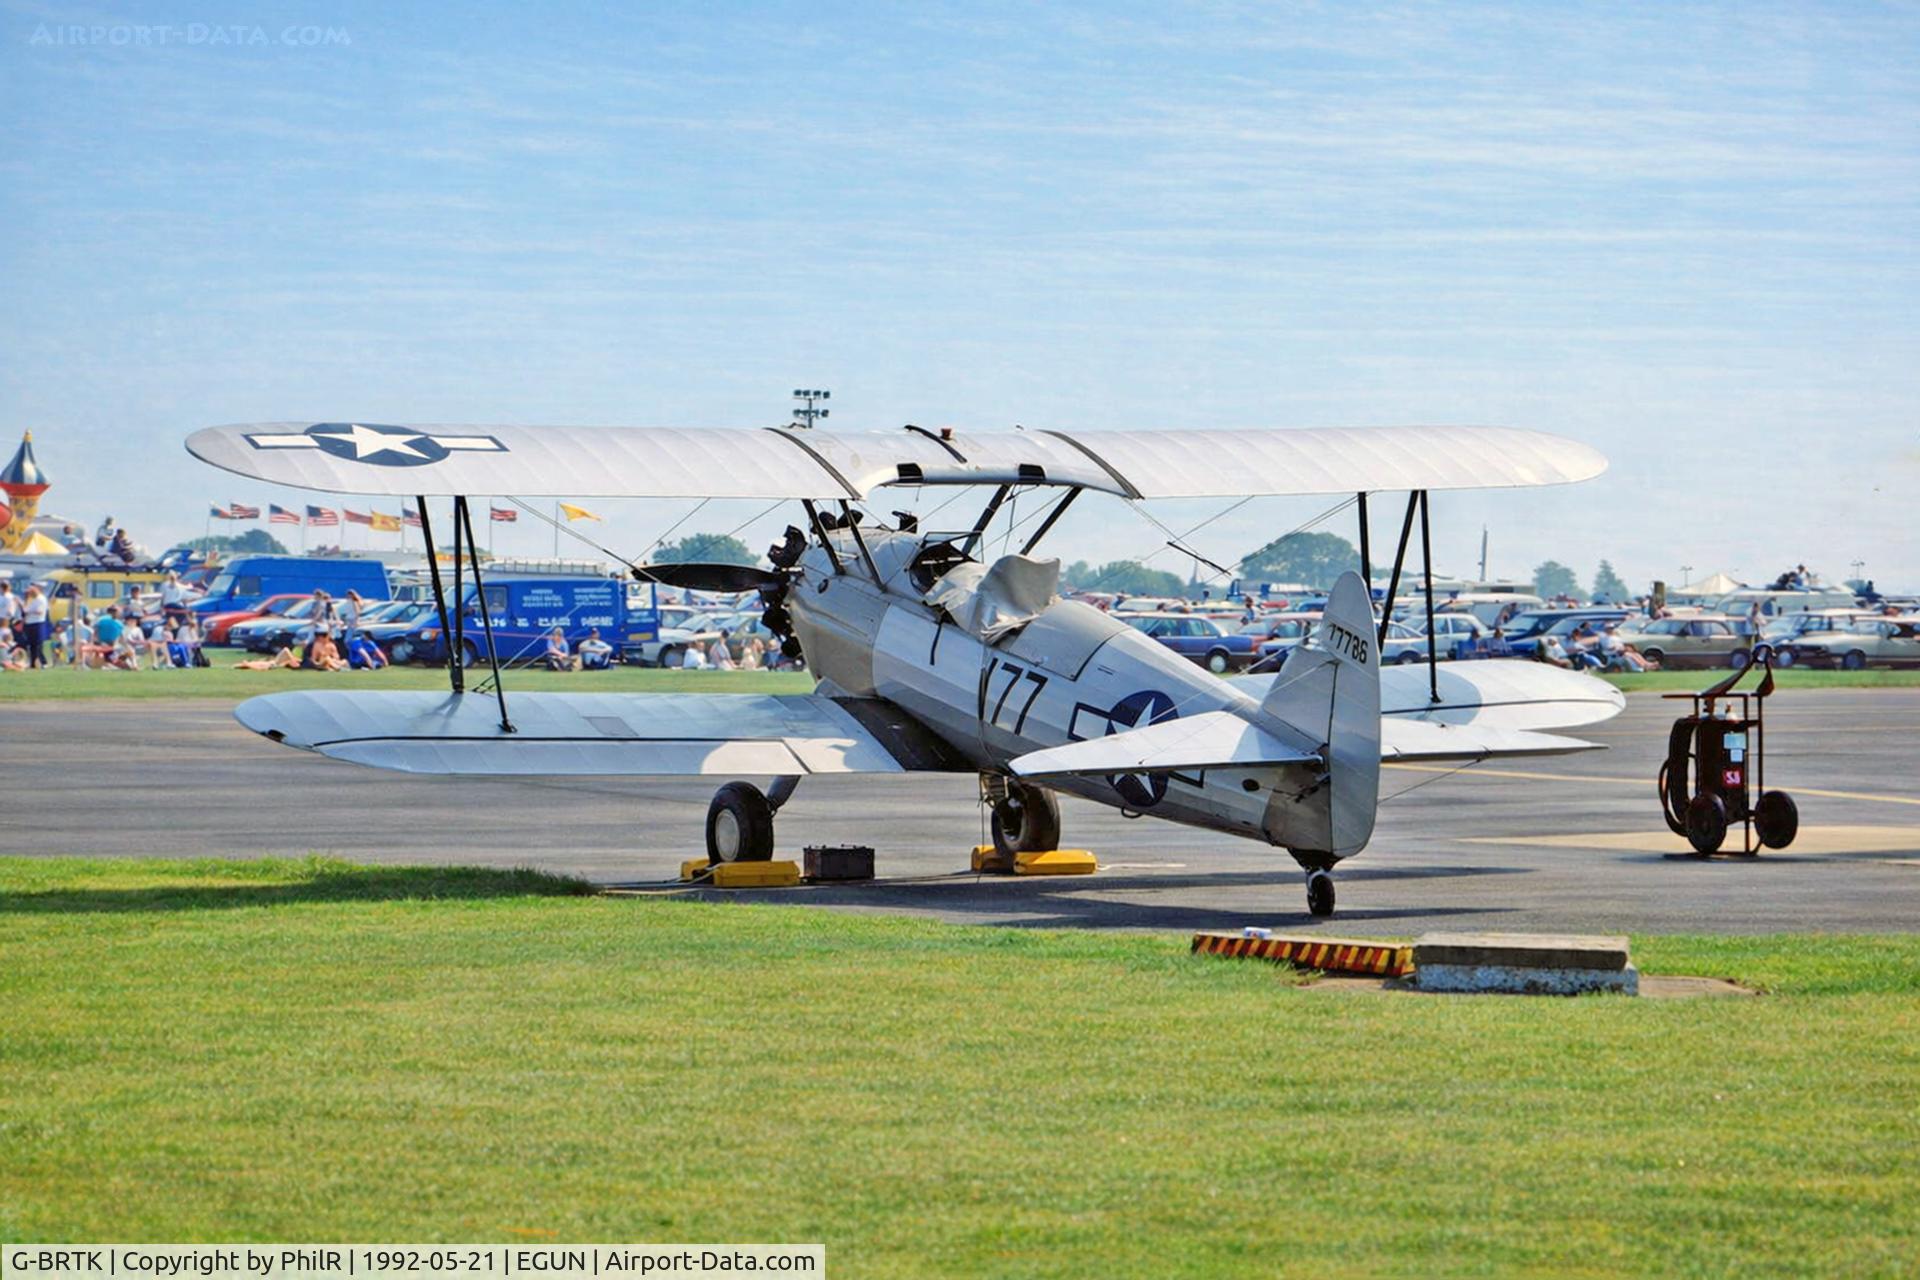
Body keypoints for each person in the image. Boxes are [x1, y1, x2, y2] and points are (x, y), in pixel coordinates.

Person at [20, 583, 48, 668]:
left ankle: (43, 662)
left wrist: (29, 611)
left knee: (37, 644)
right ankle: (33, 663)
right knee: (32, 645)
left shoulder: (41, 599)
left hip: (37, 623)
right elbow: (25, 609)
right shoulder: (33, 600)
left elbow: (39, 611)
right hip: (30, 623)